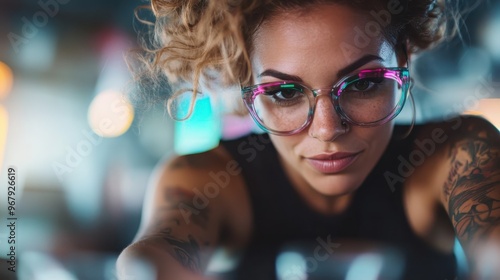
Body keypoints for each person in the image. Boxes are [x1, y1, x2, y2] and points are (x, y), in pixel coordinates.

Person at [117, 0, 500, 279]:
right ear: (245, 84)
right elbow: (152, 264)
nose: (327, 129)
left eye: (363, 84)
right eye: (285, 93)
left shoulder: (455, 154)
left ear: (402, 59)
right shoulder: (207, 179)